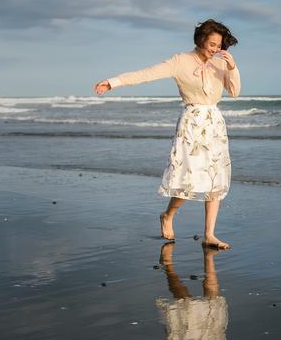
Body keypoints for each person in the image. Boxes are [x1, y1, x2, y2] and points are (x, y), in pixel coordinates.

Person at [94, 19, 240, 249]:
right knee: (187, 179)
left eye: (218, 45)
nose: (214, 49)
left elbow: (234, 92)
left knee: (215, 179)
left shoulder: (220, 63)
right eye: (211, 44)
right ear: (200, 39)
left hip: (214, 124)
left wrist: (232, 67)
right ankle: (168, 215)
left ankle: (209, 235)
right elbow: (147, 74)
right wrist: (113, 82)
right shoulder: (180, 61)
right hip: (192, 123)